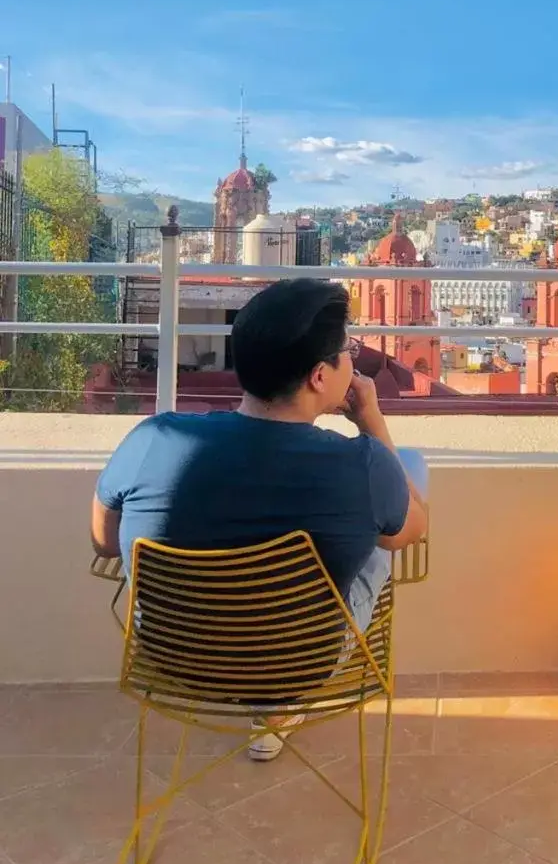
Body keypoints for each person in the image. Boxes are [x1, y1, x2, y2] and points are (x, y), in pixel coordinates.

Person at [91, 279, 429, 761]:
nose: (353, 359)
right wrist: (372, 423)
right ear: (319, 376)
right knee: (402, 484)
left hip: (170, 657)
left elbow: (104, 542)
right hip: (300, 664)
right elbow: (412, 532)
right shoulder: (362, 464)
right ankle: (274, 710)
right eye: (346, 350)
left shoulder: (152, 439)